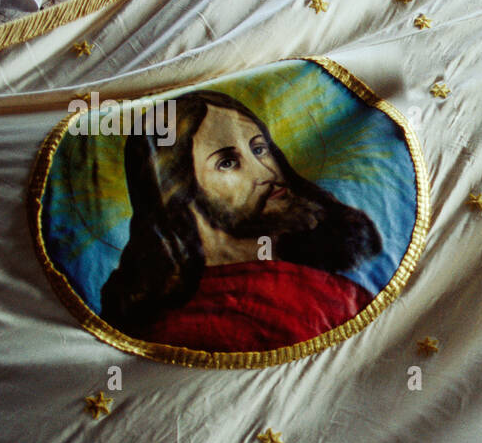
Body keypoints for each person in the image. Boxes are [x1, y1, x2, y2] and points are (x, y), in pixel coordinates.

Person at [101, 90, 383, 352]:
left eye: (259, 149)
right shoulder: (182, 330)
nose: (265, 172)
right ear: (177, 192)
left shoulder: (331, 289)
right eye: (226, 162)